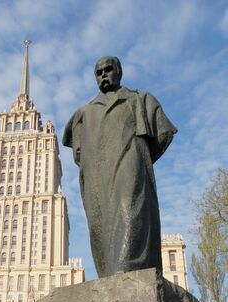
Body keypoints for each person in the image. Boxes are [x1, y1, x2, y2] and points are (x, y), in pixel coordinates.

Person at [63, 56, 177, 277]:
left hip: (130, 169)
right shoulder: (84, 114)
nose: (104, 74)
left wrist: (139, 160)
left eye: (108, 69)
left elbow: (163, 135)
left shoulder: (140, 100)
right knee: (101, 232)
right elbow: (78, 155)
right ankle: (115, 285)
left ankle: (128, 282)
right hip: (97, 182)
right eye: (99, 72)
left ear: (119, 72)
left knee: (131, 218)